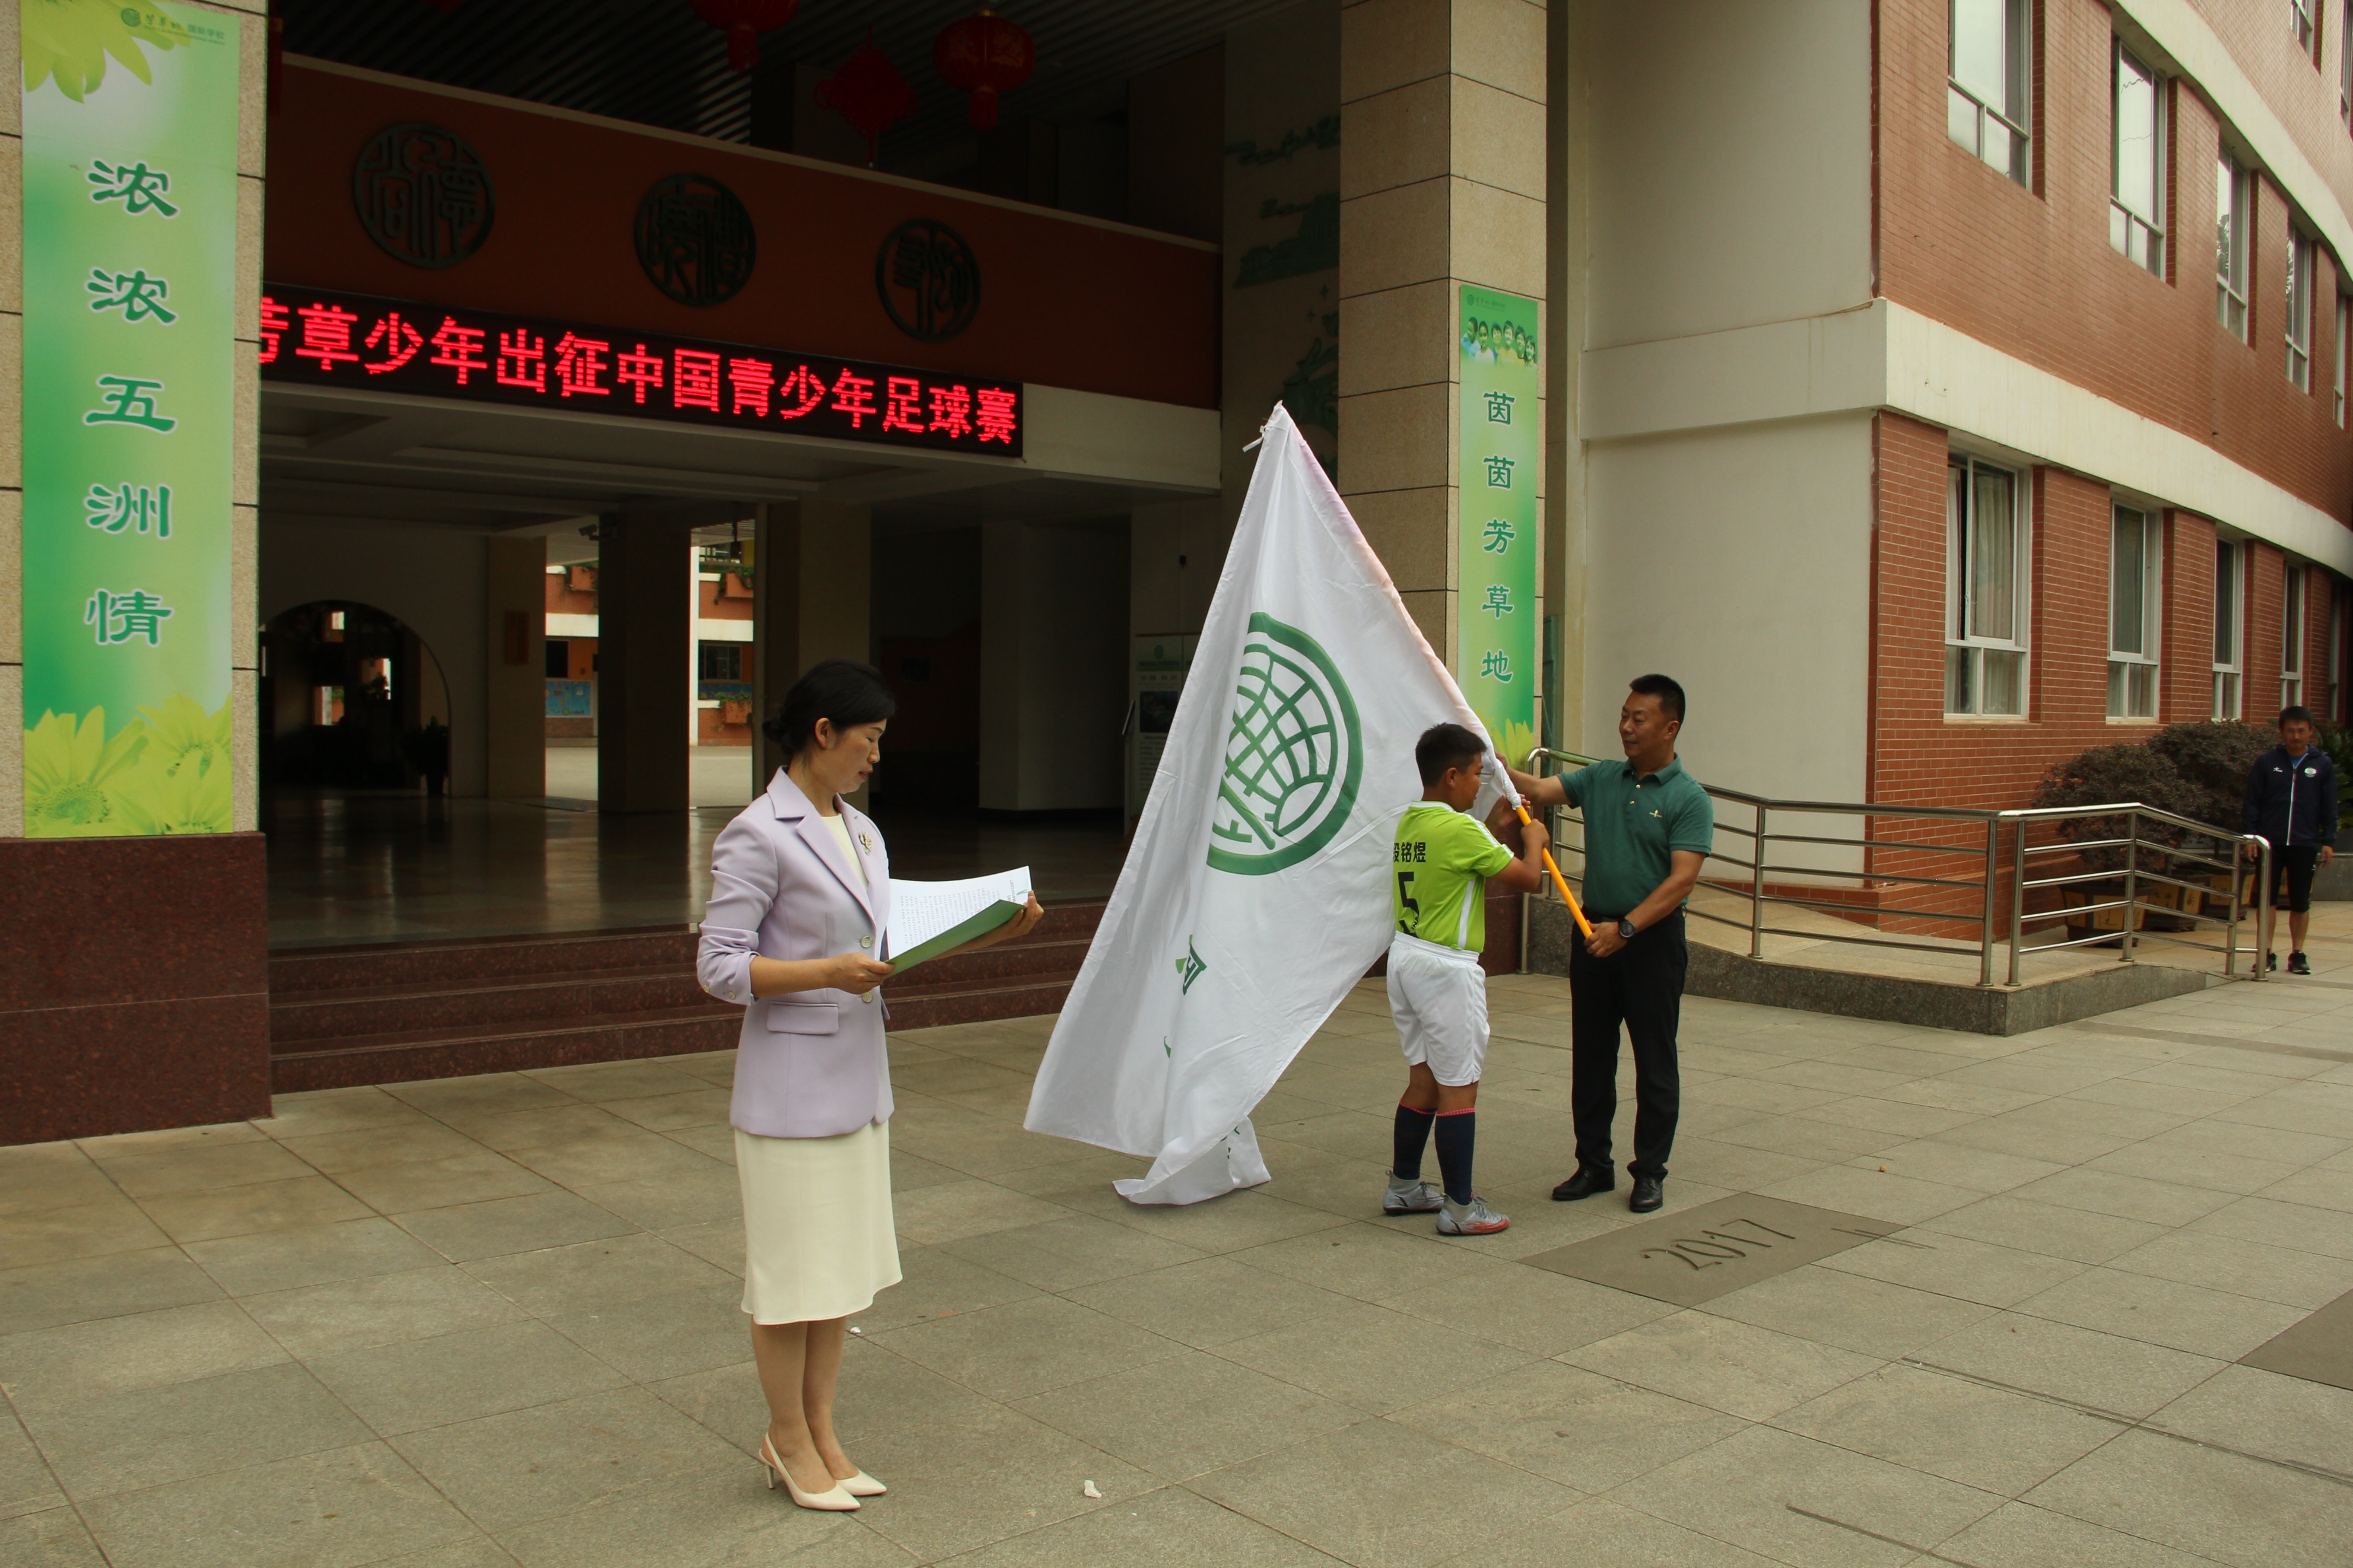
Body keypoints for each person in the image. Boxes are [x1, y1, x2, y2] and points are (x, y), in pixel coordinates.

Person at [697, 659, 1042, 1510]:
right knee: (790, 1278)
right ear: (824, 732)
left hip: (855, 1080)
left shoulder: (860, 830)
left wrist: (993, 932)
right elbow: (719, 967)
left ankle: (823, 1433)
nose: (875, 756)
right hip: (787, 1090)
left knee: (838, 1275)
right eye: (870, 739)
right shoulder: (758, 831)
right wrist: (823, 969)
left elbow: (887, 951)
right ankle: (785, 1438)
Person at [1509, 675, 1712, 1214]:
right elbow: (1542, 788)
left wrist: (1625, 929)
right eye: (1623, 715)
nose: (1625, 726)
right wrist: (1492, 763)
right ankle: (1592, 1165)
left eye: (1637, 718)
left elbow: (1680, 881)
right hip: (1591, 933)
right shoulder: (1602, 777)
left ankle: (1649, 1171)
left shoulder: (1688, 798)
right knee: (1592, 1058)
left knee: (1654, 1060)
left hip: (1647, 943)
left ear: (1670, 727)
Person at [1384, 724, 1552, 1235]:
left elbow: (1468, 863)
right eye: (1478, 774)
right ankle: (1459, 1208)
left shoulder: (1411, 822)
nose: (1481, 785)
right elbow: (1529, 879)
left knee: (1424, 1081)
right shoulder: (1460, 830)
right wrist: (1533, 839)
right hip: (1445, 969)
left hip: (1406, 957)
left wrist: (1498, 829)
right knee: (1460, 1087)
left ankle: (1405, 1185)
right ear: (1452, 774)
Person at [2242, 705, 2338, 975]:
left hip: (2304, 842)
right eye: (2291, 731)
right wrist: (2251, 836)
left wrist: (2328, 840)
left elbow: (2329, 805)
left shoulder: (2322, 765)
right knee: (2267, 899)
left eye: (2301, 731)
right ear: (2282, 732)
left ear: (2311, 732)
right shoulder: (2267, 762)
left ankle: (2298, 953)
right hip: (2269, 843)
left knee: (2300, 901)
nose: (2296, 736)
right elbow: (2253, 802)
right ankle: (2266, 951)